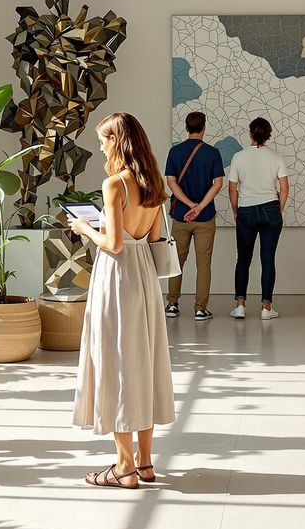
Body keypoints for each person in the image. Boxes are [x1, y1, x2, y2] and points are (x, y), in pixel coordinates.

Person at [70, 112, 176, 488]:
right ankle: (146, 463)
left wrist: (85, 227)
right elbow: (153, 239)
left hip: (115, 280)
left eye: (103, 139)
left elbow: (113, 244)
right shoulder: (153, 185)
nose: (100, 146)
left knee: (116, 364)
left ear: (118, 140)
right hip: (145, 278)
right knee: (143, 363)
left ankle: (124, 466)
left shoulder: (114, 185)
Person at [164, 111, 226, 320]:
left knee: (176, 262)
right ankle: (200, 308)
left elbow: (171, 181)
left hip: (181, 216)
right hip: (205, 217)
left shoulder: (175, 152)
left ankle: (172, 304)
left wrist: (189, 205)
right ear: (204, 128)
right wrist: (199, 207)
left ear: (186, 127)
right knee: (204, 263)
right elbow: (218, 183)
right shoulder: (212, 153)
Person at [228, 117, 290, 321]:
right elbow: (284, 188)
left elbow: (232, 188)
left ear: (250, 134)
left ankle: (240, 305)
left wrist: (236, 211)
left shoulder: (239, 157)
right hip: (270, 209)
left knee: (243, 259)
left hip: (245, 209)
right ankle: (266, 307)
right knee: (268, 259)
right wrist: (278, 209)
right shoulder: (276, 157)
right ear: (268, 135)